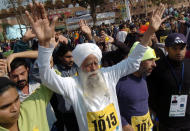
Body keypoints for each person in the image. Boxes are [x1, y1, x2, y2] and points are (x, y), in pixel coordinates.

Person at [25, 2, 166, 131]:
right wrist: (44, 44)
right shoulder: (73, 85)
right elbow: (47, 77)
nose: (92, 68)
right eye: (87, 64)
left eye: (95, 63)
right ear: (79, 66)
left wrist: (150, 31)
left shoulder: (108, 74)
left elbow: (133, 62)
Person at [147, 33, 190, 131]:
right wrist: (156, 116)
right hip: (166, 122)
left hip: (187, 120)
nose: (179, 52)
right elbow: (151, 95)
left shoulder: (188, 64)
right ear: (166, 48)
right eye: (174, 48)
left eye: (182, 48)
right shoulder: (157, 68)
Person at [116, 42, 158, 131]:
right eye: (150, 59)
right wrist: (124, 125)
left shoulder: (143, 77)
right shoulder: (119, 81)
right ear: (138, 60)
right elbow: (110, 106)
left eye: (154, 60)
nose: (154, 64)